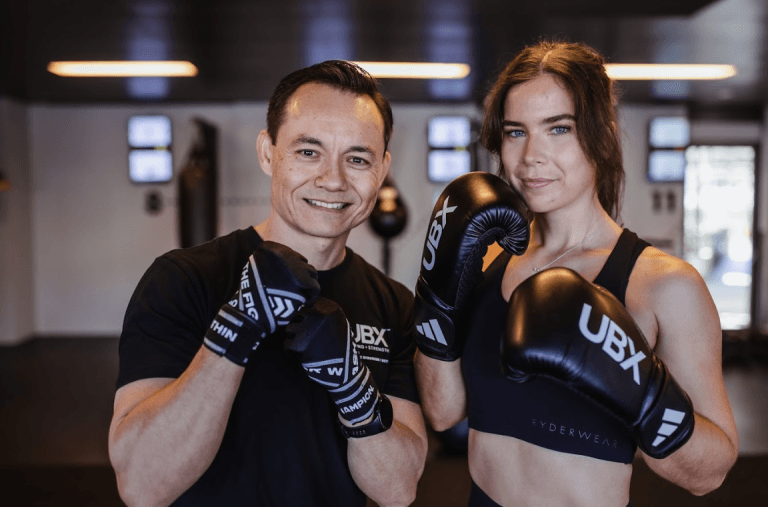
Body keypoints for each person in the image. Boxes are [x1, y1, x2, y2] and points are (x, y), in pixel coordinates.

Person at [413, 41, 738, 507]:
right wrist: (435, 298)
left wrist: (644, 392)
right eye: (515, 132)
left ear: (600, 134)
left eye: (558, 129)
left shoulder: (663, 285)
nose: (531, 157)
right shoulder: (487, 261)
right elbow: (444, 414)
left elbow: (710, 473)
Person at [108, 60, 427, 507]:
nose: (333, 179)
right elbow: (142, 484)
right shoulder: (181, 280)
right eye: (308, 151)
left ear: (381, 170)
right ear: (267, 152)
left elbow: (398, 490)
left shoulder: (393, 304)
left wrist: (355, 392)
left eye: (357, 158)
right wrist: (233, 333)